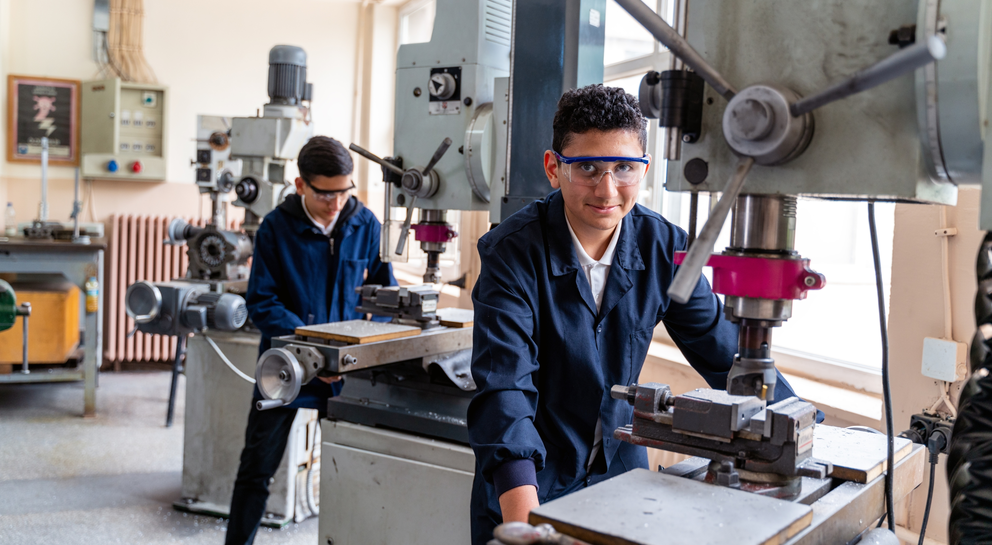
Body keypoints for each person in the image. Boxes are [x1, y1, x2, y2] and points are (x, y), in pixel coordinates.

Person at [467, 85, 809, 544]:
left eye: (625, 168)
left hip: (620, 478)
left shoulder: (663, 246)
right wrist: (526, 527)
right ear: (554, 168)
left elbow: (724, 352)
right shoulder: (511, 253)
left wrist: (801, 427)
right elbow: (505, 390)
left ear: (644, 169)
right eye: (587, 167)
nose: (607, 189)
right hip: (529, 482)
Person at [226, 135, 396, 545]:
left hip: (346, 374)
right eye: (325, 194)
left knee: (352, 471)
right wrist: (314, 354)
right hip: (286, 368)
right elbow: (262, 302)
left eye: (344, 191)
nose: (336, 202)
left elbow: (385, 298)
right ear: (301, 185)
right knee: (255, 470)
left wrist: (360, 352)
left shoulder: (366, 225)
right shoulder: (275, 228)